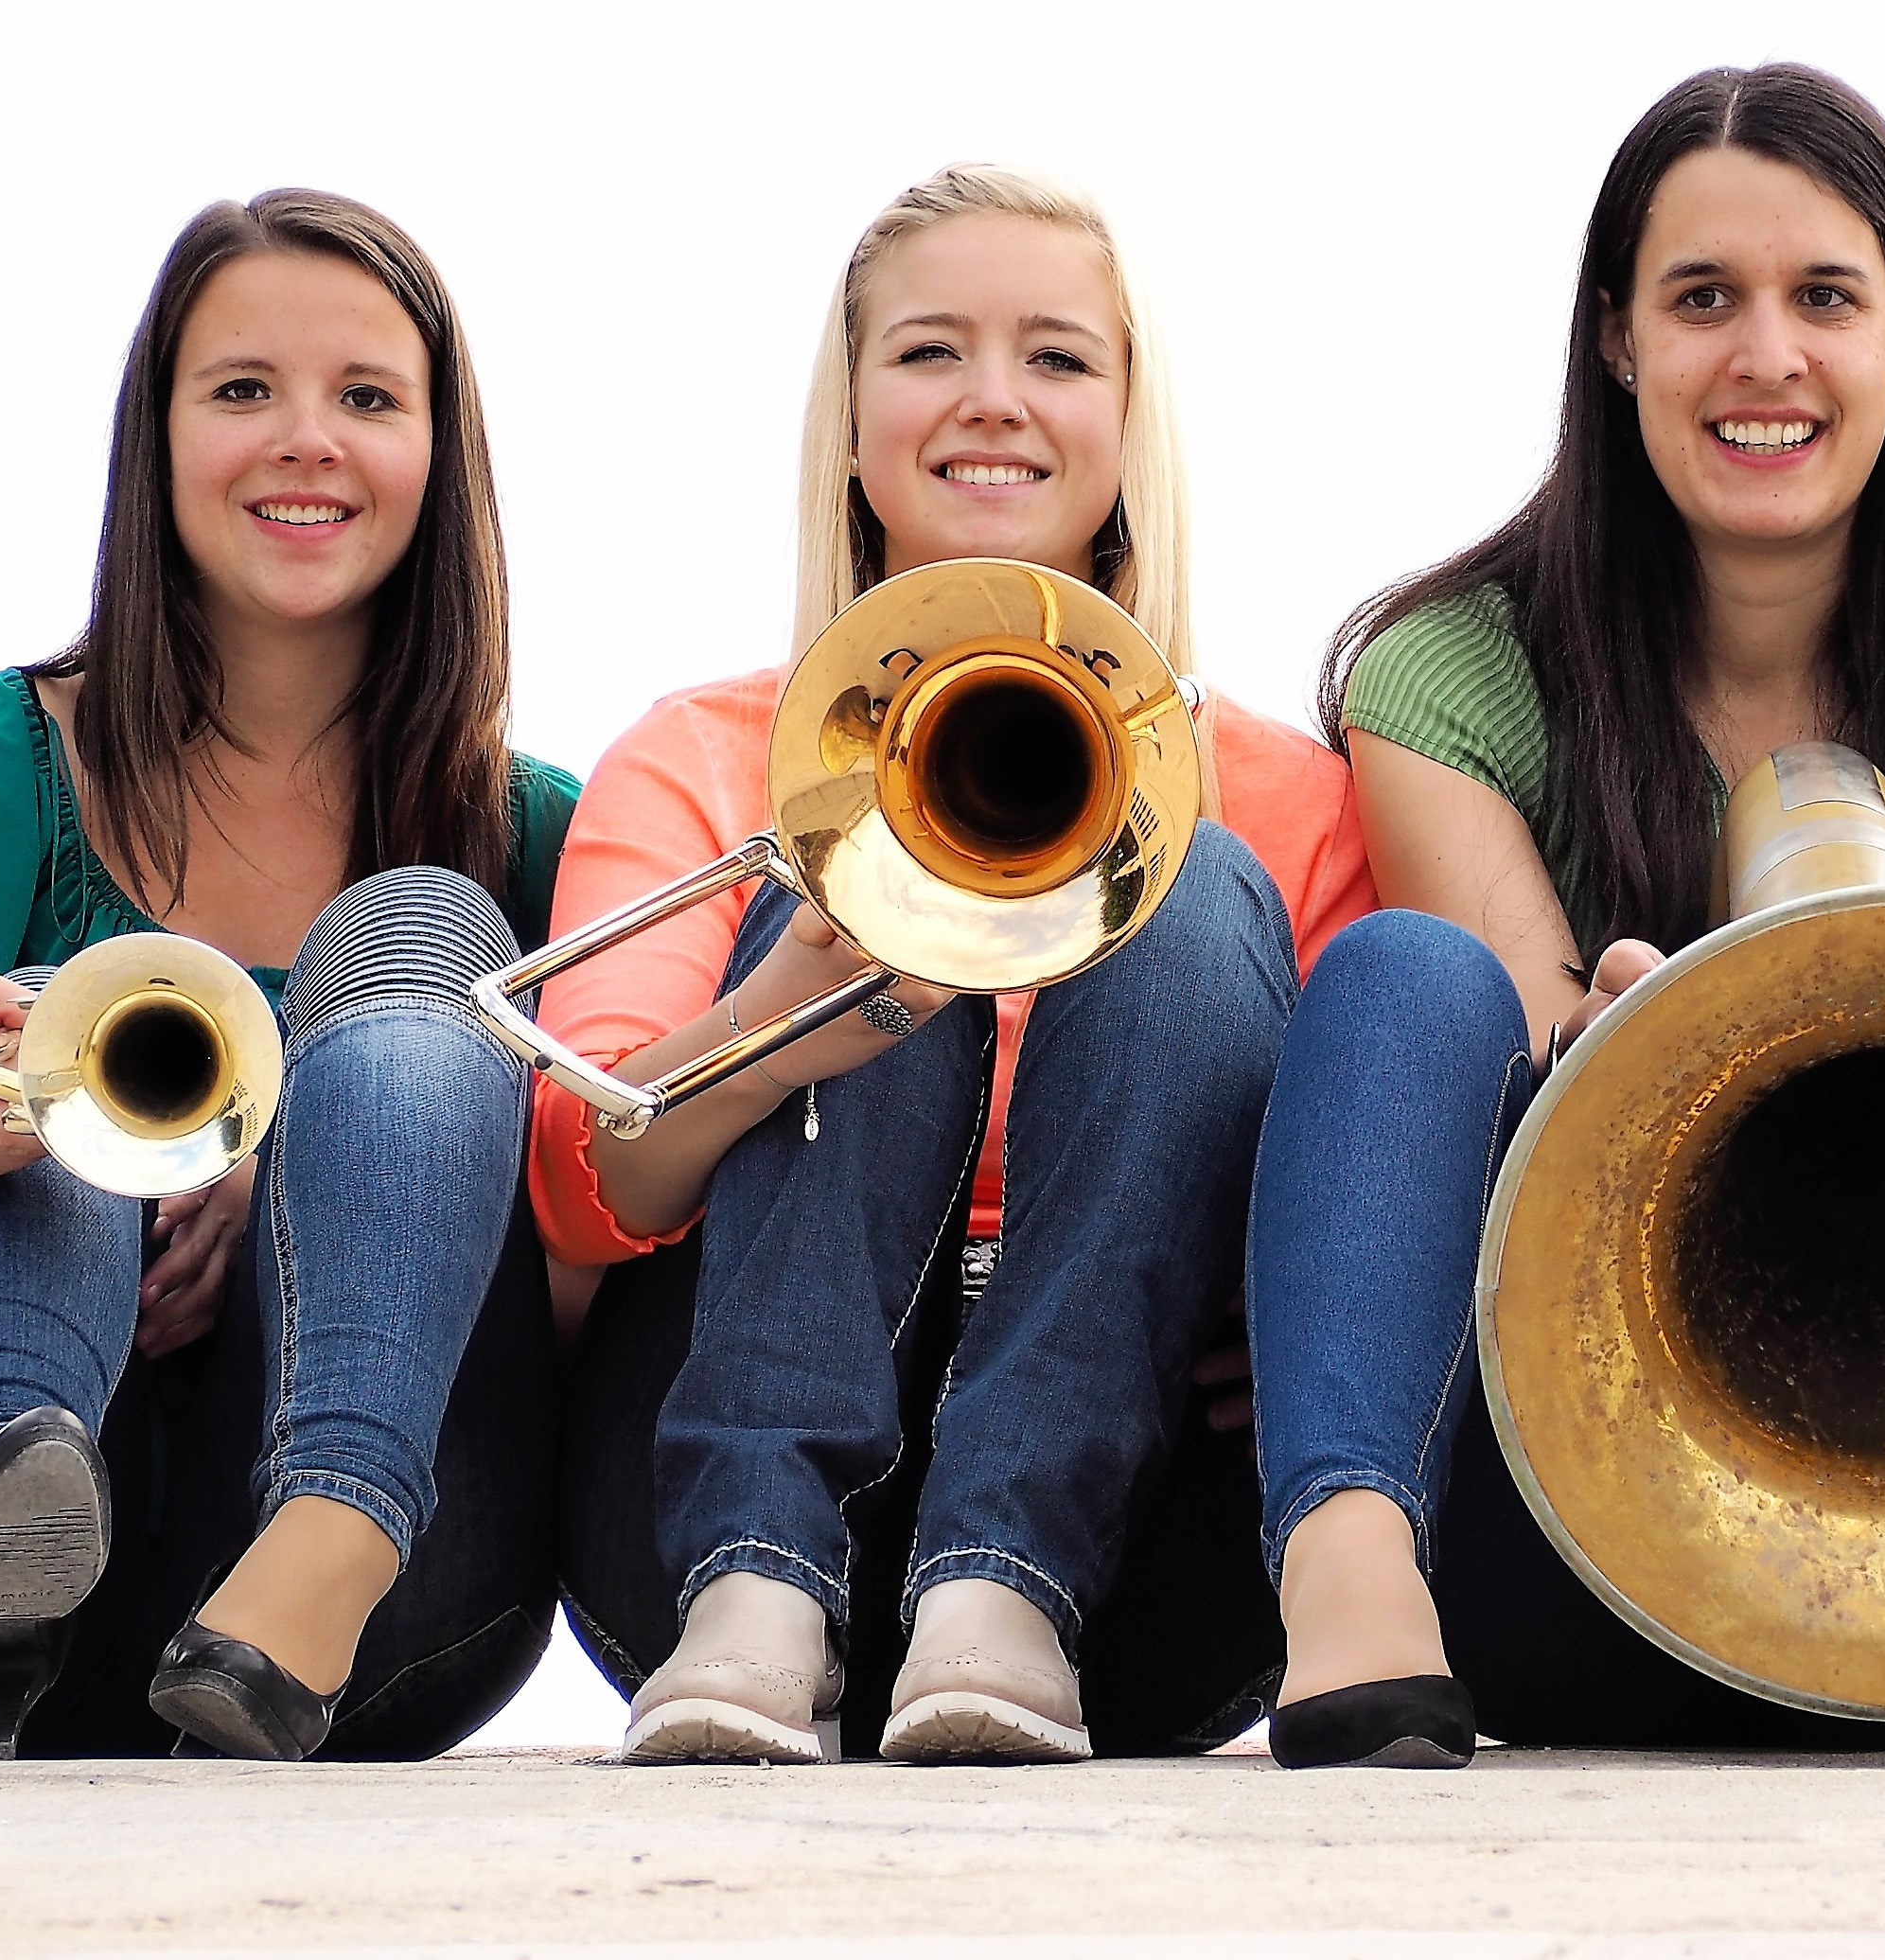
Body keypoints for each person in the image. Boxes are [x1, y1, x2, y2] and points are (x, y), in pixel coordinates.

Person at [1250, 63, 1885, 1771]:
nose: (1765, 358)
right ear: (1615, 340)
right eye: (1701, 300)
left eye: (1824, 296)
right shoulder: (1448, 670)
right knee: (1401, 975)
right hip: (1558, 1535)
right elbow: (1488, 1035)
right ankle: (1348, 1568)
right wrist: (1620, 1060)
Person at [537, 166, 1372, 1768]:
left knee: (1187, 879)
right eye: (929, 353)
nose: (993, 400)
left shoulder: (1291, 797)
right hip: (705, 1525)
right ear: (849, 425)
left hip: (1136, 1541)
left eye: (1056, 357)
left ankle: (1007, 1583)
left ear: (1129, 429)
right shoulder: (700, 753)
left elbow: (1349, 1197)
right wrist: (782, 1017)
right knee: (869, 881)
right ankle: (765, 1583)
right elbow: (590, 1192)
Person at [0, 191, 576, 1762]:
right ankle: (7, 1503)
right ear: (159, 433)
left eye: (368, 398)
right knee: (65, 1016)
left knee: (419, 931)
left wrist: (322, 1163)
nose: (304, 441)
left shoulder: (538, 834)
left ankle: (321, 1548)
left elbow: (608, 1245)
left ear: (435, 457)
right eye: (243, 390)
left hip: (384, 1629)